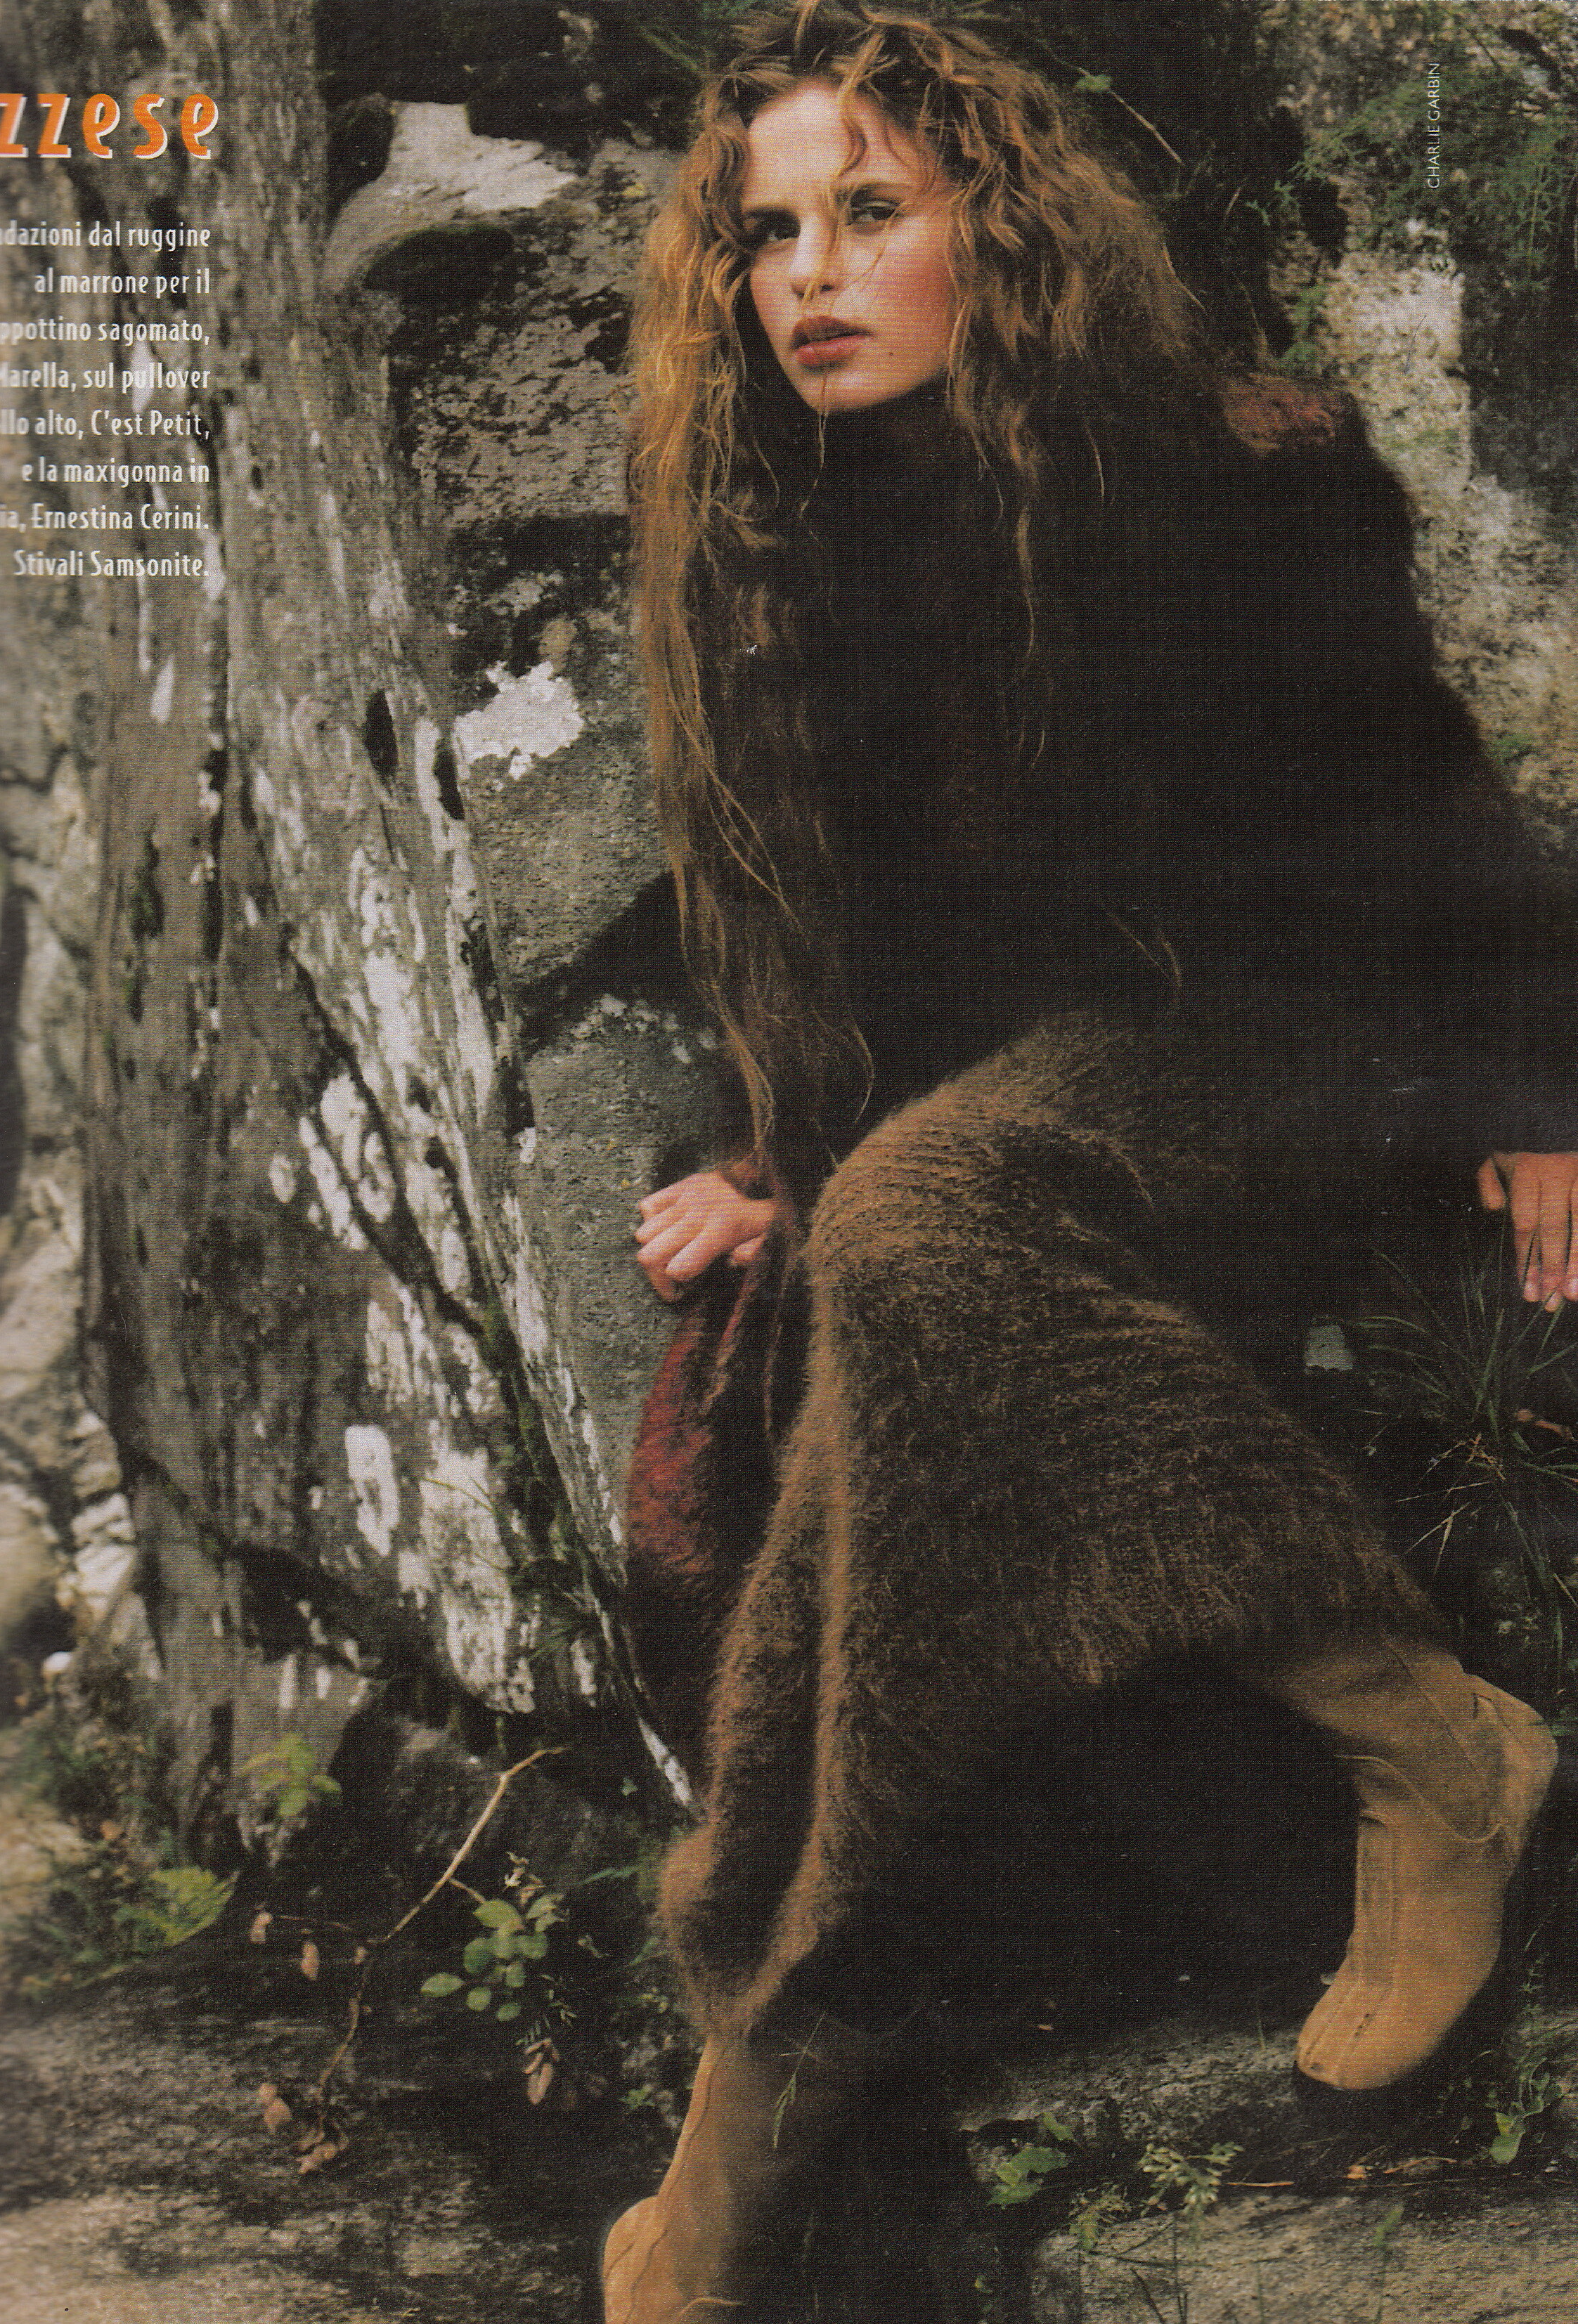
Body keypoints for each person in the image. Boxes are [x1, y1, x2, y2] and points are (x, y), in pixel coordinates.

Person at [605, 6, 1572, 2317]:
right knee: (881, 1269)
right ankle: (779, 2057)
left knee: (918, 1218)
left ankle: (1402, 1748)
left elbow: (1419, 800)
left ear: (997, 229)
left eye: (869, 211)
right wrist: (772, 1145)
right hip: (1035, 1090)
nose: (808, 274)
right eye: (766, 235)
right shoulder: (785, 534)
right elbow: (837, 933)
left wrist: (1541, 1089)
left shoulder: (1232, 468)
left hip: (1302, 1048)